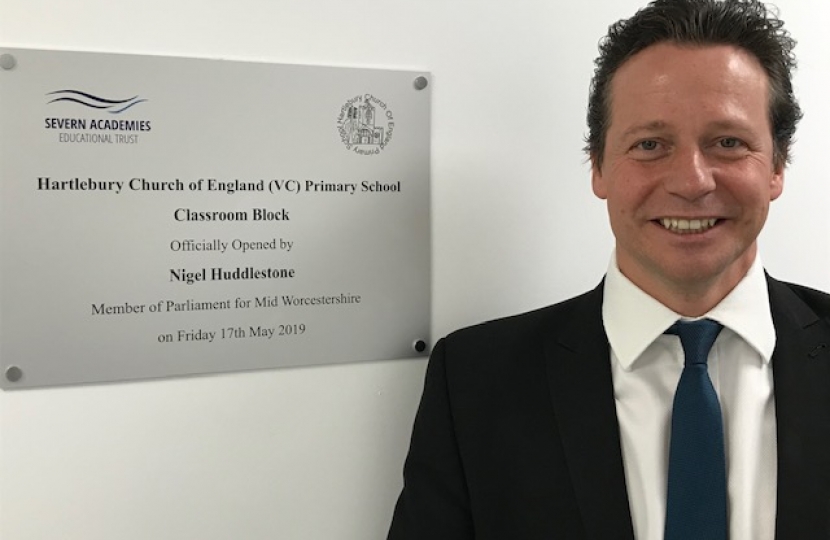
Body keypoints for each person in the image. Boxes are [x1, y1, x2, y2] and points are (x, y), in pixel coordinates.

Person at [387, 0, 830, 538]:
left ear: (778, 167)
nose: (692, 181)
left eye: (728, 143)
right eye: (650, 145)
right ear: (597, 166)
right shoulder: (477, 384)